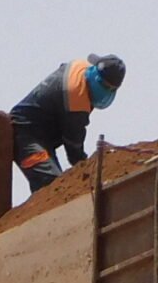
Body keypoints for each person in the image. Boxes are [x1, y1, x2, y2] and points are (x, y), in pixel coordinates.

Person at [9, 54, 127, 194]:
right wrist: (88, 173)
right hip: (25, 132)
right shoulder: (76, 98)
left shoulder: (80, 68)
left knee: (55, 183)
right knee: (50, 185)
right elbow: (74, 150)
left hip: (43, 135)